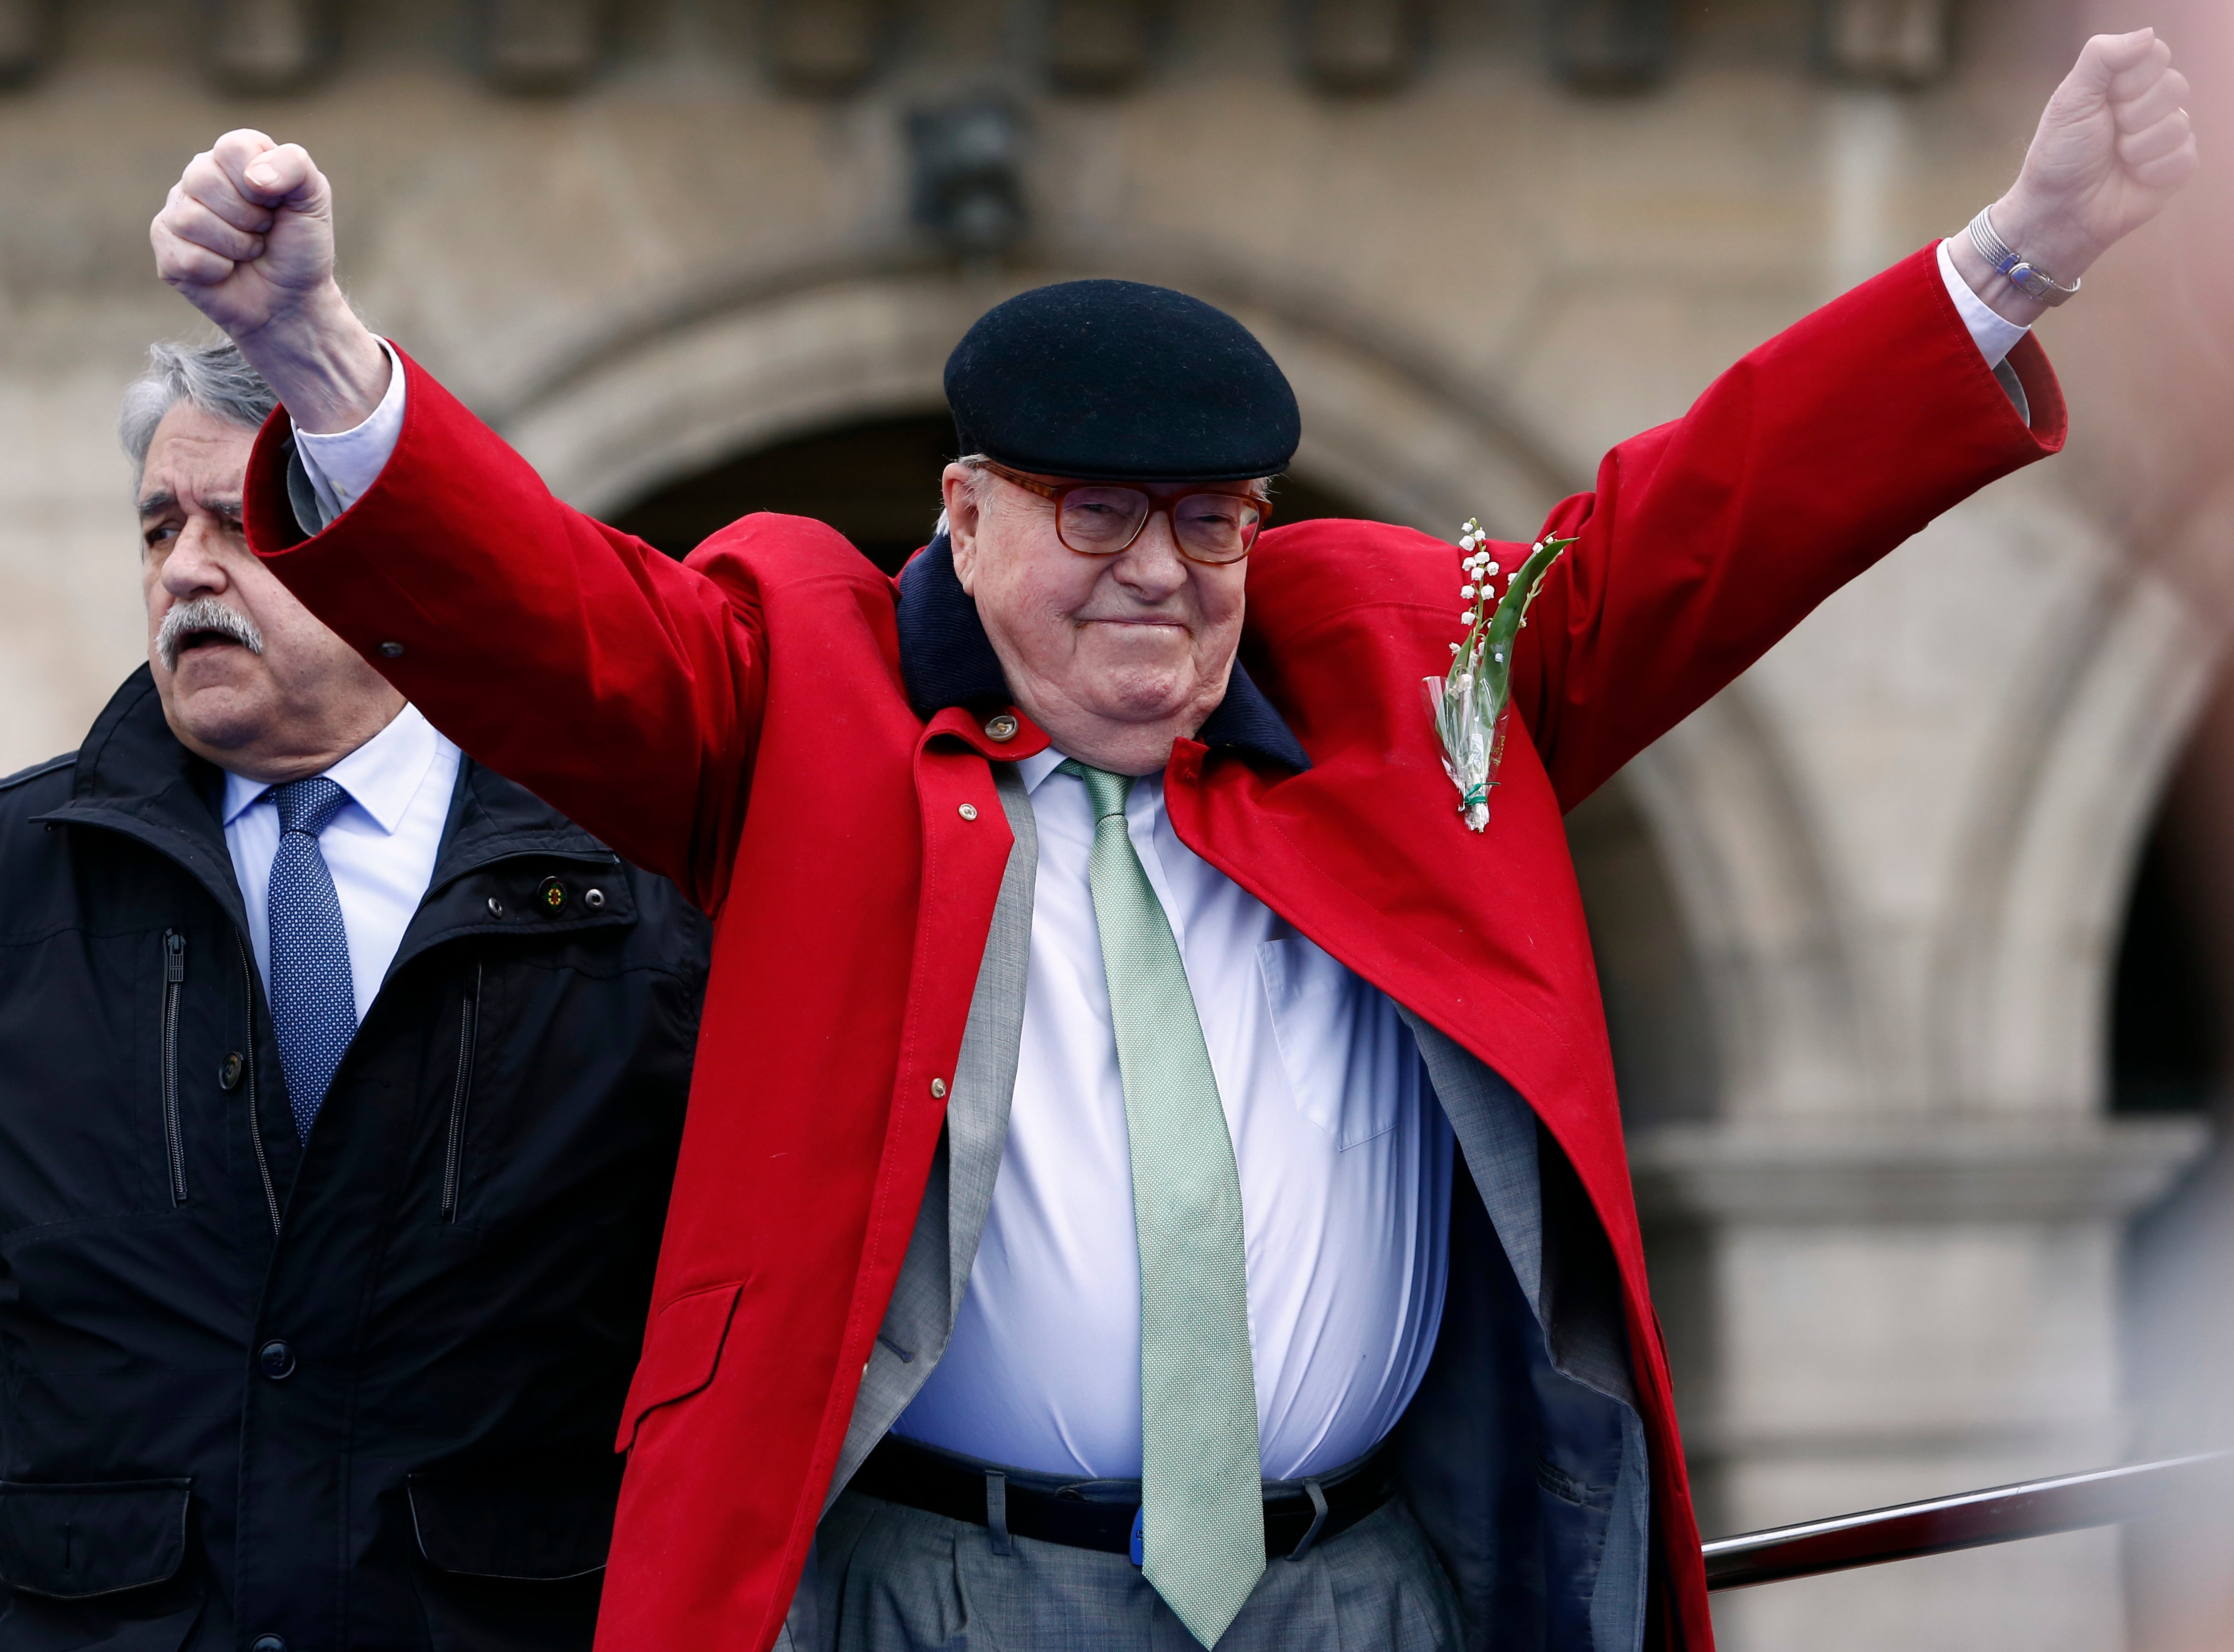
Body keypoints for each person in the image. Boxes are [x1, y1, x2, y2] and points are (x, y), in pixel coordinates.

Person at [144, 26, 2194, 1652]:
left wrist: (2018, 251)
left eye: (1208, 517)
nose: (1162, 573)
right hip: (948, 1593)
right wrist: (322, 355)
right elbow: (555, 621)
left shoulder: (1410, 670)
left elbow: (1702, 524)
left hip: (1372, 1587)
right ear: (959, 514)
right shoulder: (799, 689)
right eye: (1089, 515)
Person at [0, 342, 711, 1652]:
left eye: (243, 524)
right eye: (161, 527)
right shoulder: (22, 876)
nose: (187, 569)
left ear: (405, 550)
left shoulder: (636, 878)